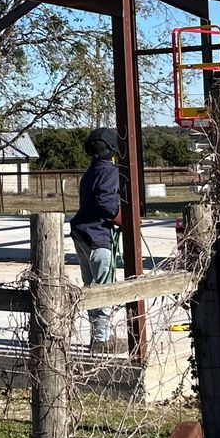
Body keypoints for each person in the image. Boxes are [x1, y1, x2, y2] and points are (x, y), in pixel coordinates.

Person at [71, 127, 126, 352]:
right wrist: (124, 220)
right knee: (103, 288)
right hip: (98, 237)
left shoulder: (90, 172)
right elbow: (107, 203)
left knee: (90, 288)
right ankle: (102, 341)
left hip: (82, 234)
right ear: (113, 149)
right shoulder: (110, 171)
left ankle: (97, 337)